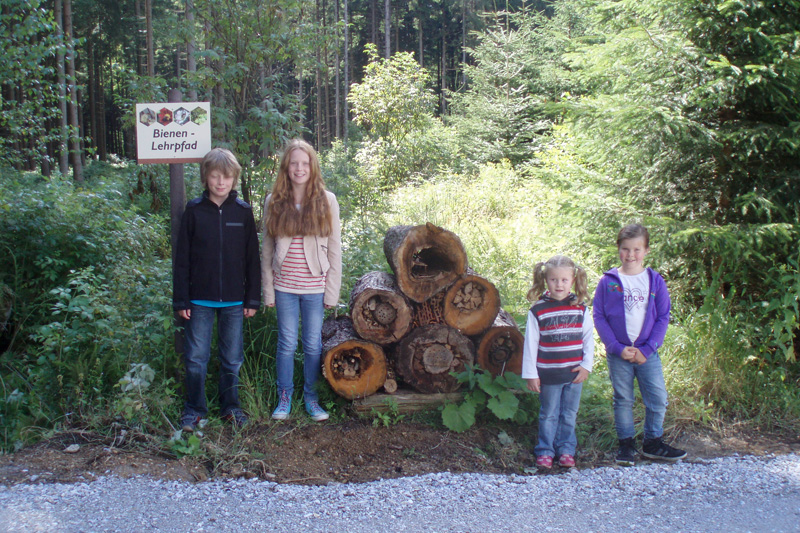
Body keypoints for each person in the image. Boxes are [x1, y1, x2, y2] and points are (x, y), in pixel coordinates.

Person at [173, 148, 261, 431]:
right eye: (215, 176)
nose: (220, 182)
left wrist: (253, 298)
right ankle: (195, 409)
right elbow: (182, 259)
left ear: (234, 178)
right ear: (206, 177)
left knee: (232, 359)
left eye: (226, 177)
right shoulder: (194, 211)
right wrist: (181, 300)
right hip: (199, 298)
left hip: (235, 300)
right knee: (196, 358)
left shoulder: (243, 212)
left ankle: (230, 407)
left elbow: (252, 259)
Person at [593, 224, 687, 465]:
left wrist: (647, 349)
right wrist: (615, 347)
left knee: (657, 398)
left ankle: (652, 442)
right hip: (619, 353)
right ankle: (626, 446)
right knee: (623, 398)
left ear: (646, 250)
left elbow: (663, 316)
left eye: (636, 249)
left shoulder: (654, 281)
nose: (630, 255)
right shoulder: (609, 281)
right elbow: (599, 316)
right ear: (618, 250)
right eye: (625, 249)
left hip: (648, 353)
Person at [262, 139, 341, 422]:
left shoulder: (326, 200)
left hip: (314, 288)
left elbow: (334, 249)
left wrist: (332, 293)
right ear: (286, 167)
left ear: (312, 166)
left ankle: (311, 397)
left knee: (312, 345)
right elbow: (267, 250)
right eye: (294, 163)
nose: (299, 168)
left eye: (305, 163)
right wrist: (268, 292)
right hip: (284, 287)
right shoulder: (274, 202)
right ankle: (284, 397)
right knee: (286, 343)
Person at [522, 255, 594, 469]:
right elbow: (531, 344)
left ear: (572, 280)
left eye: (564, 280)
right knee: (549, 413)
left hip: (574, 373)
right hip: (549, 374)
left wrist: (586, 366)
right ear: (546, 280)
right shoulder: (538, 310)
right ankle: (545, 450)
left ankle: (566, 449)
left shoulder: (580, 309)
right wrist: (531, 374)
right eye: (554, 280)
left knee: (569, 413)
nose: (559, 285)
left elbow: (588, 339)